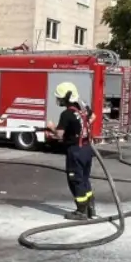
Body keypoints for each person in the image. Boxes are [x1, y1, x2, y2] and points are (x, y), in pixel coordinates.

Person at [45, 82, 96, 220]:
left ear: (66, 97)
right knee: (85, 178)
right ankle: (91, 207)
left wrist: (51, 128)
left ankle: (81, 212)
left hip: (76, 151)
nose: (59, 100)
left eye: (60, 98)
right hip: (87, 149)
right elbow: (93, 117)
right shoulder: (83, 107)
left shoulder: (67, 114)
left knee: (75, 180)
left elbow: (59, 135)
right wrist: (82, 128)